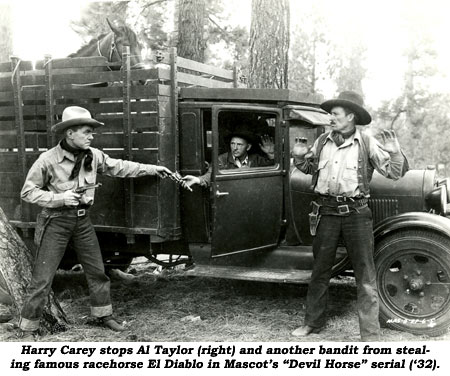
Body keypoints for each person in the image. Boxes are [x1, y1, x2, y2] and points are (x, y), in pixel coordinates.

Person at [18, 106, 173, 338]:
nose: (91, 136)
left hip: (82, 222)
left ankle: (103, 316)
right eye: (86, 132)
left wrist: (153, 169)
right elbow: (27, 192)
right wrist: (59, 198)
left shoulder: (94, 155)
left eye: (92, 132)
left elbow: (120, 166)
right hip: (55, 221)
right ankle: (28, 327)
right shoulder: (47, 160)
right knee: (42, 278)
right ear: (69, 133)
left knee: (98, 272)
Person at [291, 91, 408, 341]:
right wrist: (299, 157)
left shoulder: (367, 142)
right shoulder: (322, 141)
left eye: (335, 114)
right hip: (326, 214)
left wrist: (395, 153)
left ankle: (370, 334)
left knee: (365, 276)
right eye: (330, 114)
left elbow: (394, 173)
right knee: (320, 271)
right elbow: (310, 169)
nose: (330, 118)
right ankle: (313, 322)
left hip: (356, 214)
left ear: (351, 116)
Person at [181, 131, 275, 189]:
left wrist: (270, 153)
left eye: (239, 145)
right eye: (232, 144)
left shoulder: (256, 159)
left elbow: (273, 166)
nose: (234, 148)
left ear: (248, 147)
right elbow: (210, 175)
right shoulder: (221, 159)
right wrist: (197, 179)